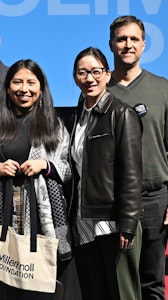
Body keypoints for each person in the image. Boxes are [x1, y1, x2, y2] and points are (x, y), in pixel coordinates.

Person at [0, 59, 72, 296]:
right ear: (7, 88)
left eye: (31, 83)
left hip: (40, 212)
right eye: (17, 82)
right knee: (3, 279)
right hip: (3, 210)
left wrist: (45, 166)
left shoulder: (54, 125)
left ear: (41, 88)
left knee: (37, 281)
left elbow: (69, 170)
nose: (24, 89)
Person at [69, 47, 142, 300]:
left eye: (96, 71)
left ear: (108, 74)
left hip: (112, 222)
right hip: (83, 221)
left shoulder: (122, 113)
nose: (89, 78)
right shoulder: (78, 117)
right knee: (94, 292)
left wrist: (129, 223)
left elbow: (131, 173)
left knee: (122, 293)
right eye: (82, 72)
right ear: (75, 77)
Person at [107, 15, 168, 300]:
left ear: (144, 44)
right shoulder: (98, 90)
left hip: (156, 198)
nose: (127, 45)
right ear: (111, 45)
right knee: (117, 281)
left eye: (134, 39)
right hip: (113, 202)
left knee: (152, 283)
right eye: (121, 39)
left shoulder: (163, 89)